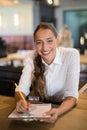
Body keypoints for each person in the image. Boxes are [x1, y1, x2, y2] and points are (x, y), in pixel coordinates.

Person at [15, 22, 80, 123]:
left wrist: (58, 111)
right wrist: (19, 101)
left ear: (57, 40)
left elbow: (72, 96)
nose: (45, 48)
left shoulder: (71, 55)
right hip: (38, 109)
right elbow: (21, 90)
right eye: (39, 42)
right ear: (35, 44)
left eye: (49, 41)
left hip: (63, 108)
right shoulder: (30, 58)